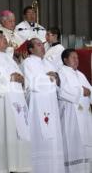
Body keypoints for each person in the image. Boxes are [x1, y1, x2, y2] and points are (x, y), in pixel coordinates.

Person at [0, 30, 32, 173]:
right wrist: (10, 78)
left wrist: (21, 79)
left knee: (20, 133)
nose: (5, 39)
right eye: (1, 37)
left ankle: (21, 165)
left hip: (17, 101)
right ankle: (6, 167)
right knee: (7, 133)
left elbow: (19, 74)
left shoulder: (8, 57)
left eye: (5, 37)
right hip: (4, 103)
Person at [22, 38, 65, 173]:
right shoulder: (27, 62)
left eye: (42, 44)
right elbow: (32, 84)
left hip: (52, 103)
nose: (42, 47)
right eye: (38, 45)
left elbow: (58, 85)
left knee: (54, 139)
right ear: (31, 49)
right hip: (37, 105)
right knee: (40, 136)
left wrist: (56, 79)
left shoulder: (48, 63)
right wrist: (51, 78)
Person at [58, 48, 92, 173]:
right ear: (65, 59)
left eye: (77, 58)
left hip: (85, 116)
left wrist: (88, 92)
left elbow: (90, 89)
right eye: (73, 58)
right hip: (71, 115)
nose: (76, 60)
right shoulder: (62, 72)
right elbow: (61, 91)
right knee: (74, 142)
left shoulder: (80, 74)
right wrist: (81, 91)